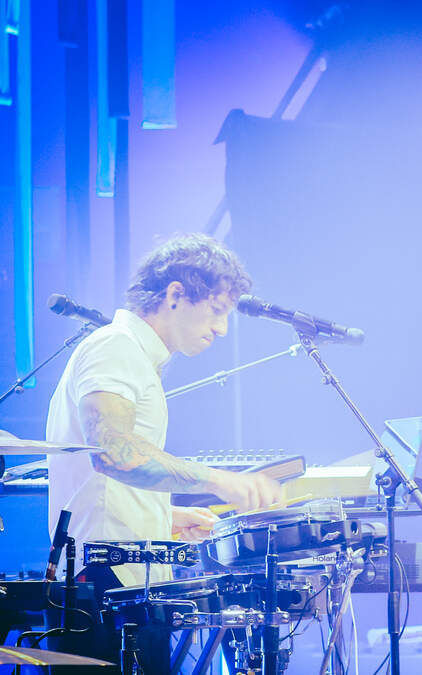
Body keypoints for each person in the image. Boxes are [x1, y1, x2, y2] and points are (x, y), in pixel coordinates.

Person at [44, 233, 281, 668]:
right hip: (103, 585)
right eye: (216, 310)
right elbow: (114, 453)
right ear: (175, 295)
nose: (222, 328)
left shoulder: (131, 355)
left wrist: (161, 515)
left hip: (115, 579)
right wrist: (219, 479)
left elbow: (100, 483)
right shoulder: (116, 347)